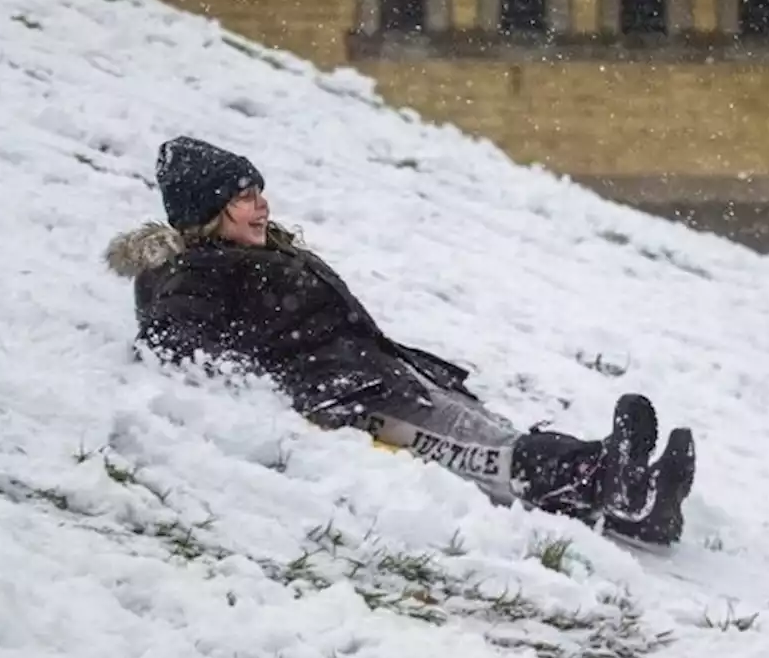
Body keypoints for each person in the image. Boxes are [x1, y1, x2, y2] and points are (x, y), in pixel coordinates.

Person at [105, 137, 696, 545]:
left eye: (259, 191)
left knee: (491, 434)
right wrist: (263, 387)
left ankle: (638, 498)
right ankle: (609, 480)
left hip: (378, 372)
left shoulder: (264, 252)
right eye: (243, 196)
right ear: (209, 212)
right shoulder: (193, 274)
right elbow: (170, 344)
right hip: (346, 400)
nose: (261, 205)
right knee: (483, 457)